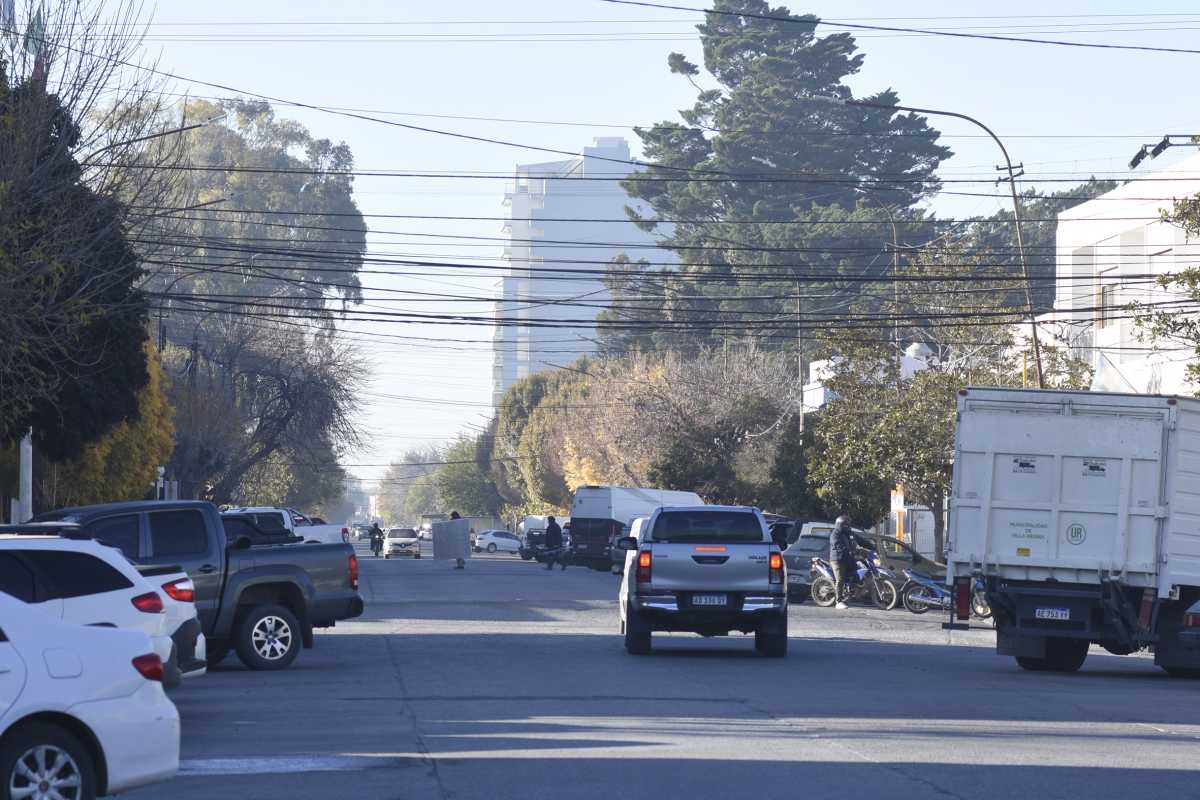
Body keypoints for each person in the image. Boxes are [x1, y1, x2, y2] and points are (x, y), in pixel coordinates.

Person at [829, 516, 858, 610]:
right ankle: (838, 601)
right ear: (841, 525)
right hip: (837, 559)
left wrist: (872, 546)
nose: (848, 526)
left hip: (847, 558)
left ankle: (849, 592)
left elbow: (860, 540)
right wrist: (848, 550)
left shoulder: (848, 533)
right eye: (846, 525)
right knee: (840, 579)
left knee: (856, 572)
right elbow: (837, 545)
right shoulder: (835, 534)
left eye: (848, 525)